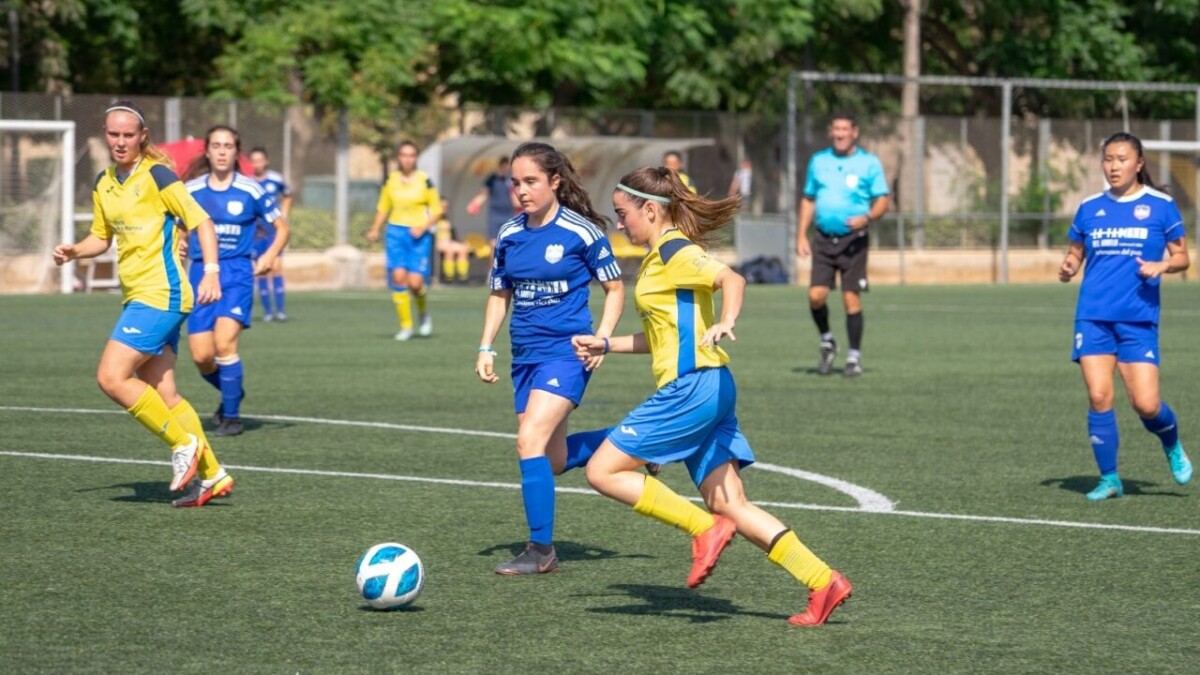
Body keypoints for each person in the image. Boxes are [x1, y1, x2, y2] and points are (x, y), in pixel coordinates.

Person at [566, 166, 851, 627]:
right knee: (731, 504)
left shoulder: (676, 250)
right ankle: (823, 581)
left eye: (623, 214)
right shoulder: (660, 257)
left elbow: (731, 280)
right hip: (710, 387)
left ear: (651, 210)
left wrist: (727, 320)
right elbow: (661, 337)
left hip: (692, 388)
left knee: (602, 469)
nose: (620, 223)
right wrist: (607, 344)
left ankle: (702, 529)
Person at [51, 101, 233, 508]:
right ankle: (213, 475)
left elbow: (200, 221)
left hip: (162, 294)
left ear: (142, 137)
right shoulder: (105, 182)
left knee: (112, 377)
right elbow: (102, 237)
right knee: (164, 392)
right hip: (140, 296)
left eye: (127, 135)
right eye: (113, 134)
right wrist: (74, 251)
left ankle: (182, 443)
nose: (120, 141)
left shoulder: (159, 176)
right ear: (105, 135)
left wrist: (212, 271)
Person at [474, 141, 625, 575]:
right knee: (553, 460)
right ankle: (632, 442)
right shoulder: (509, 234)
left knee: (528, 443)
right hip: (525, 357)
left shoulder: (582, 232)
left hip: (568, 352)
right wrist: (486, 346)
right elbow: (499, 294)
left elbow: (614, 289)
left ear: (554, 181)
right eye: (514, 182)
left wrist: (603, 337)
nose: (521, 190)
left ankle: (541, 551)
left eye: (531, 181)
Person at [1058, 131, 1193, 500]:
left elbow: (1183, 258)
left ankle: (1171, 443)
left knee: (1146, 404)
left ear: (1139, 163)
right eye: (1108, 159)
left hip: (1138, 319)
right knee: (1100, 396)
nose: (1113, 166)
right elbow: (1075, 252)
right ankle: (1110, 479)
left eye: (1121, 159)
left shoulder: (1161, 206)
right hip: (1093, 316)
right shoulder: (1089, 207)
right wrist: (1069, 266)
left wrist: (1162, 265)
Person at [182, 126, 290, 438]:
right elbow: (177, 226)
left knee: (224, 344)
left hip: (237, 274)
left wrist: (269, 255)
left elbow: (282, 228)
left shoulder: (251, 190)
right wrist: (180, 241)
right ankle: (233, 390)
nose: (221, 151)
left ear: (235, 152)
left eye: (228, 146)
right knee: (202, 357)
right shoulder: (190, 190)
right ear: (207, 150)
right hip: (200, 274)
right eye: (216, 145)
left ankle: (231, 416)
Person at [796, 112, 889, 378]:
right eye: (835, 129)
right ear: (830, 131)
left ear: (854, 132)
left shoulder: (868, 163)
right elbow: (808, 199)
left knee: (851, 298)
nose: (839, 134)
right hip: (824, 239)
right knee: (815, 296)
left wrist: (868, 217)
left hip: (854, 242)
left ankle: (853, 357)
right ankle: (827, 340)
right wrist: (801, 234)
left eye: (845, 129)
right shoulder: (819, 161)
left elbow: (883, 200)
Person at [367, 141, 442, 341]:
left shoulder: (425, 181)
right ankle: (406, 327)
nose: (407, 159)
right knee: (399, 278)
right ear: (398, 158)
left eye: (411, 155)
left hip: (418, 234)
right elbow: (383, 207)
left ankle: (423, 314)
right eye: (403, 155)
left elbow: (437, 210)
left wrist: (423, 227)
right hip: (395, 233)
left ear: (416, 158)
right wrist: (375, 228)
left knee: (415, 283)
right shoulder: (391, 180)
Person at [248, 147, 292, 322]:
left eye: (260, 160)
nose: (257, 164)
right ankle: (267, 312)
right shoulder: (248, 182)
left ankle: (280, 311)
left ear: (266, 161)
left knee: (276, 268)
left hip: (273, 230)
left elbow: (287, 195)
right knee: (262, 270)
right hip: (256, 232)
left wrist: (284, 214)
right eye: (254, 160)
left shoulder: (276, 179)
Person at [467, 155, 519, 245]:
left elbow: (516, 196)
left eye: (507, 168)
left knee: (508, 240)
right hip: (494, 214)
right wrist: (475, 204)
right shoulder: (492, 179)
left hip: (509, 213)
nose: (505, 170)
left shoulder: (511, 179)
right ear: (500, 166)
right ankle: (493, 259)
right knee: (493, 242)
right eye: (504, 167)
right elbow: (483, 194)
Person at [435, 199, 471, 283]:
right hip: (438, 243)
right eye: (443, 207)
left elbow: (453, 235)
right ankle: (449, 277)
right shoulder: (433, 219)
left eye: (446, 207)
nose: (445, 210)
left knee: (463, 249)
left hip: (448, 242)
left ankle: (462, 276)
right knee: (449, 250)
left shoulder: (447, 220)